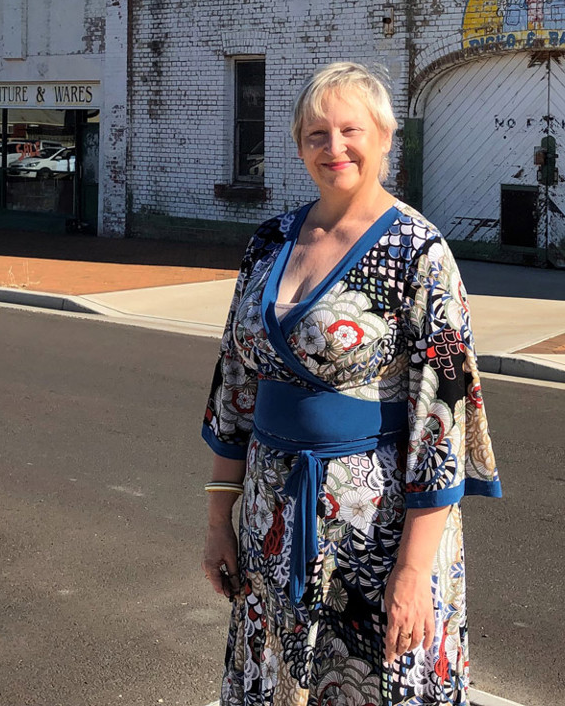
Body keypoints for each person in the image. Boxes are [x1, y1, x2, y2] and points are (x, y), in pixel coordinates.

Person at [201, 61, 502, 704]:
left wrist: (415, 567)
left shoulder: (418, 251)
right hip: (271, 520)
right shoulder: (269, 240)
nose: (333, 148)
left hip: (377, 534)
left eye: (349, 130)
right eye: (315, 134)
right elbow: (235, 387)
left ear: (385, 137)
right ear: (298, 145)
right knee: (277, 682)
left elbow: (441, 418)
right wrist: (217, 519)